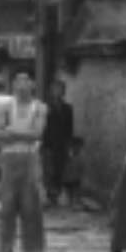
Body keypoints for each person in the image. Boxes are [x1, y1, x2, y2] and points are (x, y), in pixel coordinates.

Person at [0, 66, 47, 252]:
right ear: (13, 85)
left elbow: (38, 134)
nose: (21, 85)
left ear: (32, 84)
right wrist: (22, 134)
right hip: (8, 160)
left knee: (31, 206)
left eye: (26, 80)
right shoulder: (6, 107)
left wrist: (12, 133)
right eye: (18, 80)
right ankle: (3, 251)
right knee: (5, 207)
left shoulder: (40, 107)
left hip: (30, 159)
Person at [40, 75, 79, 208]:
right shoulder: (45, 108)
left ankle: (57, 195)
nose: (58, 92)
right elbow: (41, 127)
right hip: (49, 143)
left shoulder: (68, 108)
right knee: (48, 169)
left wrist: (70, 146)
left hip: (62, 144)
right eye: (55, 89)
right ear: (51, 91)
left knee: (60, 169)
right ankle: (50, 196)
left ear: (64, 92)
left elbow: (69, 128)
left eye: (61, 89)